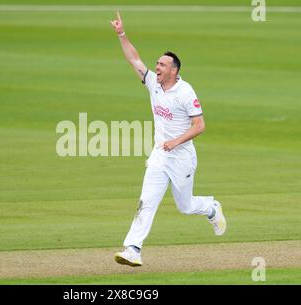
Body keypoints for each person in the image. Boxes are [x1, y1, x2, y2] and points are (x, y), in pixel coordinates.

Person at [110, 12, 227, 267]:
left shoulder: (185, 92)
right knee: (147, 200)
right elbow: (134, 59)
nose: (157, 68)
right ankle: (133, 249)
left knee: (185, 206)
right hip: (160, 155)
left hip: (182, 157)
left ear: (174, 71)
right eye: (158, 64)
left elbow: (200, 125)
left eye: (162, 65)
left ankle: (210, 207)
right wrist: (121, 34)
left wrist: (176, 141)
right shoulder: (153, 83)